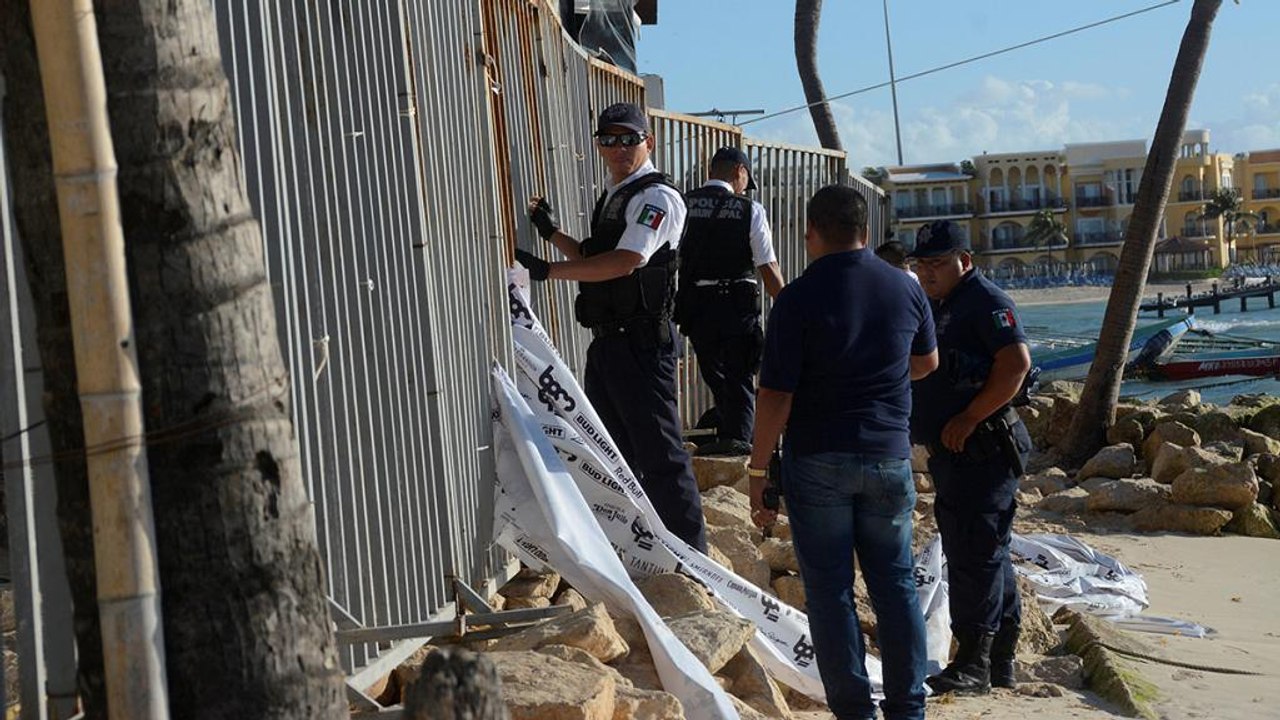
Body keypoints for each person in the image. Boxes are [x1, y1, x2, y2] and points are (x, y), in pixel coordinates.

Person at [748, 185, 938, 720]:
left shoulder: (796, 299)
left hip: (818, 458)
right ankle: (908, 710)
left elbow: (775, 396)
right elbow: (927, 362)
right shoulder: (906, 288)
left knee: (831, 595)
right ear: (866, 234)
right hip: (888, 456)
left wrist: (757, 469)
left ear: (810, 233)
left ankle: (854, 712)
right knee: (896, 586)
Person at [514, 102, 707, 552]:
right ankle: (641, 549)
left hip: (641, 345)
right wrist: (553, 234)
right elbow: (596, 254)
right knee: (612, 453)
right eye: (608, 140)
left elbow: (626, 262)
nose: (618, 148)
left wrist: (548, 270)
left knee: (661, 454)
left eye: (628, 139)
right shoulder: (618, 194)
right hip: (610, 346)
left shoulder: (656, 197)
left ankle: (693, 559)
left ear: (649, 142)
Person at [907, 219, 1033, 695]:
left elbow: (1016, 365)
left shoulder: (986, 302)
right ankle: (1000, 659)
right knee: (987, 553)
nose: (928, 273)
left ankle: (974, 663)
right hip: (957, 454)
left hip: (984, 448)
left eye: (938, 264)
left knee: (972, 555)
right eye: (922, 265)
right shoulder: (939, 304)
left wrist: (969, 418)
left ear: (965, 261)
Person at [675, 146, 785, 458]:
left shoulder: (683, 203)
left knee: (714, 372)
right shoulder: (750, 209)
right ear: (739, 171)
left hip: (697, 304)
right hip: (737, 306)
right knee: (739, 373)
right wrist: (790, 308)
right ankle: (740, 440)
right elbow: (767, 265)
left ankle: (730, 431)